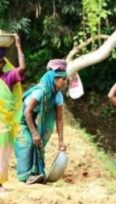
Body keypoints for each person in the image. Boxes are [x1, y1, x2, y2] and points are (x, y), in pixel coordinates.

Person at [14, 59, 67, 184]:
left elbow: (59, 119)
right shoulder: (40, 92)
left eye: (66, 79)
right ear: (54, 79)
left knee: (39, 145)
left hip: (33, 120)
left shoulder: (57, 96)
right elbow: (27, 112)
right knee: (27, 143)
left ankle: (37, 173)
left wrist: (61, 140)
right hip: (21, 120)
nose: (65, 82)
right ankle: (25, 177)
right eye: (63, 79)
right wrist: (34, 133)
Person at [0, 34, 25, 191]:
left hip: (4, 125)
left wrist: (18, 45)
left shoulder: (8, 78)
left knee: (1, 154)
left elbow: (21, 68)